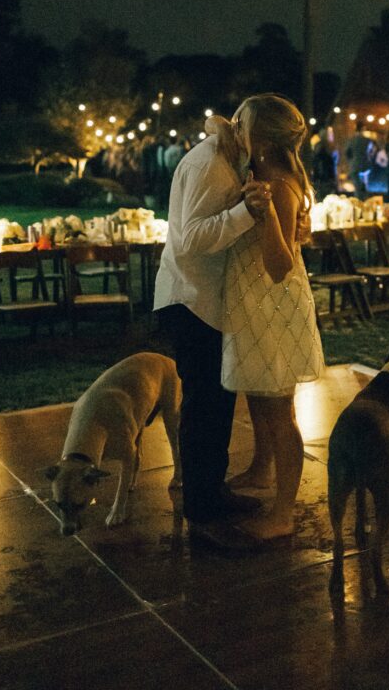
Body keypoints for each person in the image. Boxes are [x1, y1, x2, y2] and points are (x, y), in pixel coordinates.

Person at [153, 109, 271, 549]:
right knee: (203, 408)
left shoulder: (227, 159)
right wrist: (245, 212)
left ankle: (213, 492)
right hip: (191, 300)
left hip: (207, 301)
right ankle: (201, 511)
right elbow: (191, 240)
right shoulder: (209, 164)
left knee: (218, 404)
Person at [220, 94, 325, 541]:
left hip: (274, 304)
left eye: (241, 123)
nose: (233, 127)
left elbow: (280, 265)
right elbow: (216, 125)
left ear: (260, 136)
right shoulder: (261, 172)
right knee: (259, 396)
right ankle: (261, 468)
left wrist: (263, 216)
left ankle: (283, 513)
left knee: (279, 411)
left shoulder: (279, 185)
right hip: (255, 303)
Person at [345, 121, 372, 199]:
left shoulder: (351, 140)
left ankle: (358, 202)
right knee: (365, 188)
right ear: (363, 129)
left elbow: (347, 153)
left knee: (357, 188)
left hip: (354, 166)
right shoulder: (367, 140)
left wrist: (350, 162)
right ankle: (365, 202)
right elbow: (371, 152)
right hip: (365, 167)